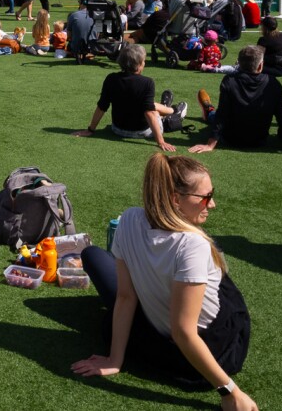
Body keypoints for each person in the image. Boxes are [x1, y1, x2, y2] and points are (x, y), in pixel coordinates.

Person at [73, 154, 253, 407]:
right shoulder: (194, 245)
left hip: (156, 343)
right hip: (210, 353)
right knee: (217, 263)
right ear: (175, 200)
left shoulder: (130, 220)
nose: (211, 205)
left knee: (92, 254)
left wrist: (115, 360)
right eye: (206, 198)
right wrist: (231, 392)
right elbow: (182, 332)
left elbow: (125, 297)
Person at [73, 43, 183, 151]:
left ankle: (169, 108)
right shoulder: (147, 82)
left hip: (117, 129)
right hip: (143, 132)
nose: (144, 63)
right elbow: (149, 113)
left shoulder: (111, 78)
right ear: (139, 64)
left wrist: (90, 130)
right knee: (152, 108)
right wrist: (161, 141)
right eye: (144, 61)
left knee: (147, 103)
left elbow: (102, 106)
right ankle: (174, 111)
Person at [190, 46, 282, 154]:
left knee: (215, 116)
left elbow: (222, 114)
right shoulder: (273, 83)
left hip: (230, 138)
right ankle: (209, 111)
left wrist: (211, 144)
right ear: (261, 65)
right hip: (259, 140)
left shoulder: (229, 81)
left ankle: (209, 110)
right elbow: (281, 116)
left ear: (239, 63)